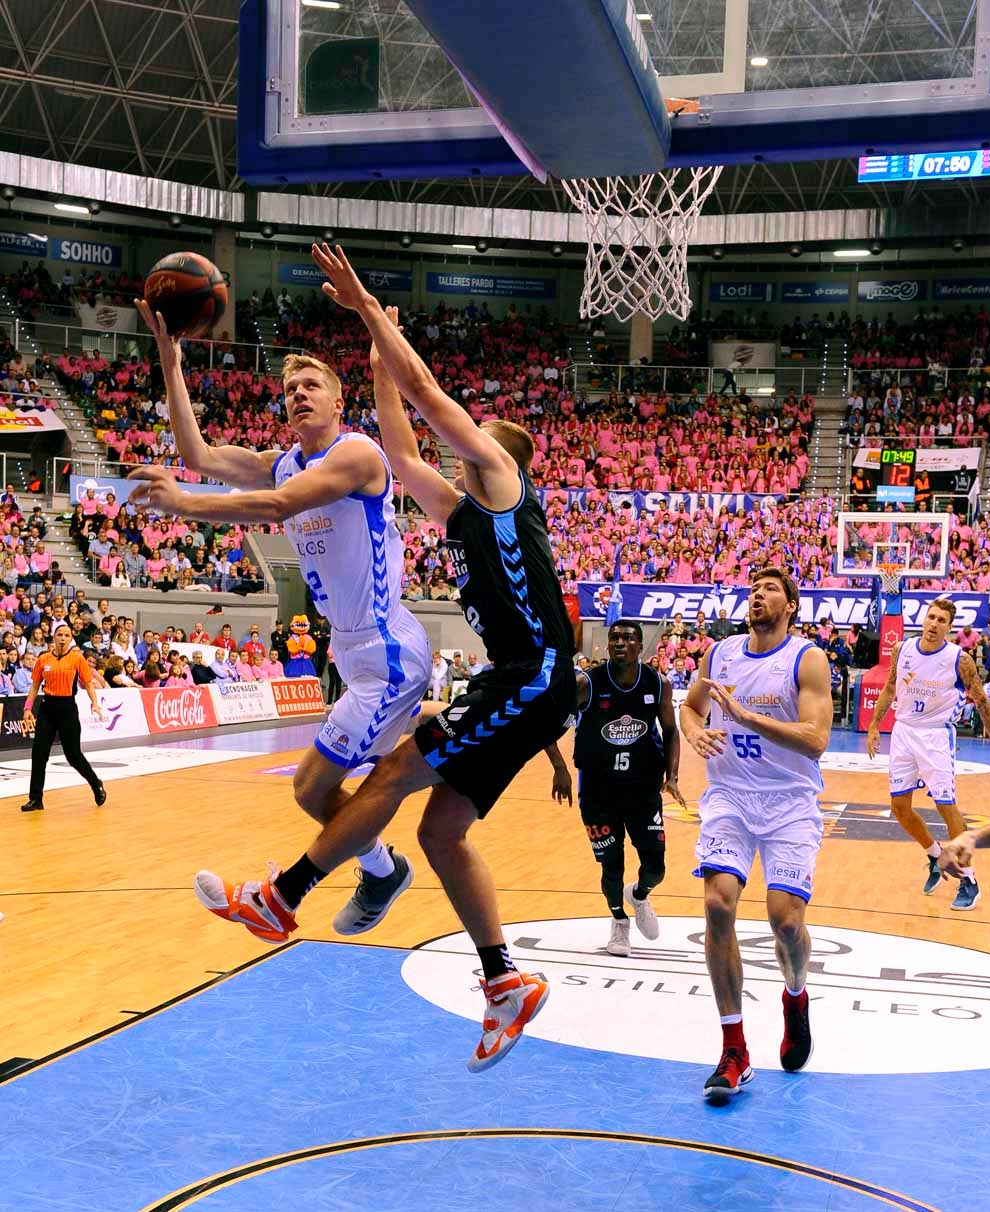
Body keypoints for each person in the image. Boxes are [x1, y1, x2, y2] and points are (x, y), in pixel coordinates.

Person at [195, 250, 577, 1073]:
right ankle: (505, 981)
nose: (454, 441)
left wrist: (370, 306)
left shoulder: (504, 483)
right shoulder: (462, 510)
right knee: (442, 831)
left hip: (536, 674)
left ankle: (284, 895)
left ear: (493, 450)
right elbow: (402, 451)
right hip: (522, 683)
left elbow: (430, 403)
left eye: (471, 436)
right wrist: (376, 352)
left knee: (398, 770)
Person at [132, 296, 432, 940]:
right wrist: (171, 360)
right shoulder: (284, 459)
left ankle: (294, 894)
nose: (298, 394)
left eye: (311, 385)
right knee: (324, 795)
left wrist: (185, 505)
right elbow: (199, 453)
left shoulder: (358, 455)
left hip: (386, 653)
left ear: (337, 401)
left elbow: (276, 505)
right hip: (353, 655)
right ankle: (381, 869)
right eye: (290, 387)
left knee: (309, 786)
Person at [679, 567, 832, 1101]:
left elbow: (815, 740)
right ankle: (734, 1050)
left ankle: (795, 995)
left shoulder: (806, 658)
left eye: (770, 589)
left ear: (790, 604)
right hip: (730, 798)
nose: (758, 595)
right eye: (753, 589)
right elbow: (690, 708)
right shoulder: (719, 655)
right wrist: (696, 732)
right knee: (719, 905)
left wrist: (746, 715)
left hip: (790, 802)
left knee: (785, 922)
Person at [552, 619, 684, 957]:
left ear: (641, 646)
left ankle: (638, 895)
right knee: (611, 865)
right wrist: (560, 768)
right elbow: (546, 724)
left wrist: (673, 777)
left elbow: (670, 731)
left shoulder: (658, 684)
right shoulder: (587, 684)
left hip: (643, 789)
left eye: (627, 638)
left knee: (656, 867)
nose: (619, 643)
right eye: (614, 638)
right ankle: (619, 922)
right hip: (598, 791)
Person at [867, 597, 990, 911]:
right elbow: (889, 687)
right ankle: (934, 854)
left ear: (949, 628)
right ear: (923, 619)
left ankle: (969, 880)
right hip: (902, 732)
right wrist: (875, 724)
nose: (934, 624)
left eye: (941, 620)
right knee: (899, 807)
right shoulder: (902, 649)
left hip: (936, 736)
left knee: (945, 806)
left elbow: (981, 700)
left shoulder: (960, 659)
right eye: (931, 617)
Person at [19, 623, 107, 813]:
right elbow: (34, 686)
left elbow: (88, 683)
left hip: (67, 709)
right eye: (59, 634)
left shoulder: (77, 659)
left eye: (66, 635)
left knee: (73, 755)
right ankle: (35, 799)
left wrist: (95, 703)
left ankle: (95, 783)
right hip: (47, 708)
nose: (63, 638)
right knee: (39, 754)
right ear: (54, 637)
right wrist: (28, 708)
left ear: (70, 639)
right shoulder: (43, 659)